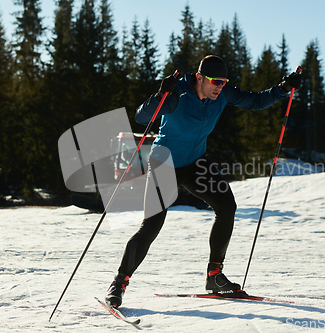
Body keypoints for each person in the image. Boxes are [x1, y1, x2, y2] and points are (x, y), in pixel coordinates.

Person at [105, 55, 301, 308]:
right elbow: (143, 117)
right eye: (215, 81)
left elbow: (256, 101)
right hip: (164, 163)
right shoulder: (178, 94)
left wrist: (283, 89)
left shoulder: (223, 93)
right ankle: (119, 283)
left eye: (224, 82)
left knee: (226, 206)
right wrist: (160, 94)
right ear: (200, 78)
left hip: (196, 163)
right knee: (152, 225)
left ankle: (214, 277)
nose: (220, 86)